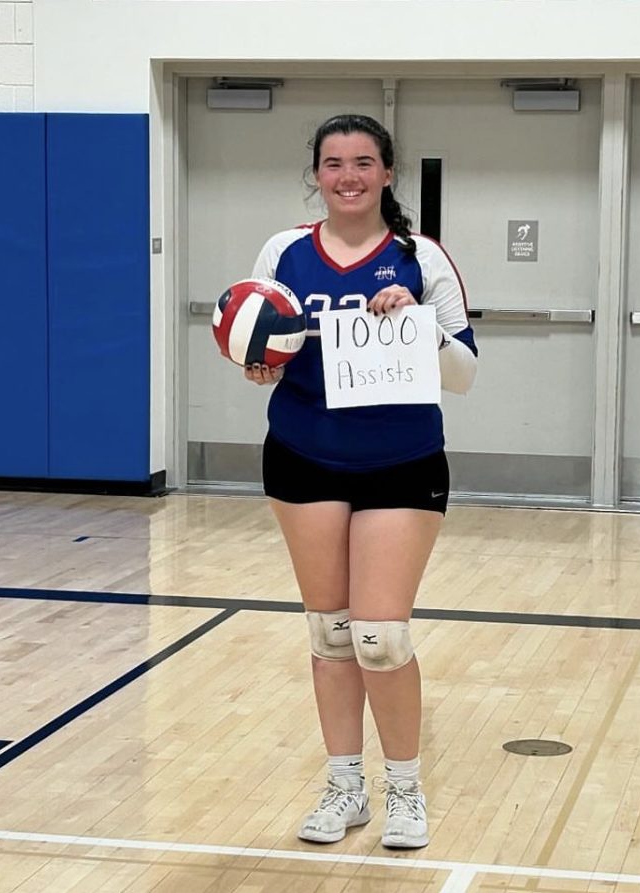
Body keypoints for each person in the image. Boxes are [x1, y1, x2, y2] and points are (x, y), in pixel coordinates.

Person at [240, 113, 478, 849]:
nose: (348, 176)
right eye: (334, 163)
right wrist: (258, 363)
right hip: (304, 456)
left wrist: (422, 326)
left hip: (400, 461)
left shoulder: (422, 258)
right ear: (316, 173)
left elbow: (464, 374)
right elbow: (260, 342)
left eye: (363, 162)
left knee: (380, 635)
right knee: (332, 631)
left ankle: (405, 788)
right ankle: (346, 786)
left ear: (387, 173)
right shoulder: (282, 252)